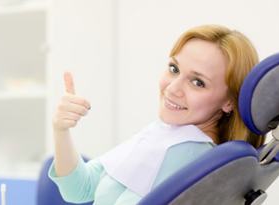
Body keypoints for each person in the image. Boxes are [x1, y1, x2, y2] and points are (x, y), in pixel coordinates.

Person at [48, 24, 265, 205]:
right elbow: (78, 189)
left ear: (229, 102)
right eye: (174, 69)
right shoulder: (166, 134)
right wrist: (61, 129)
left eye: (198, 82)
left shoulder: (187, 153)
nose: (172, 88)